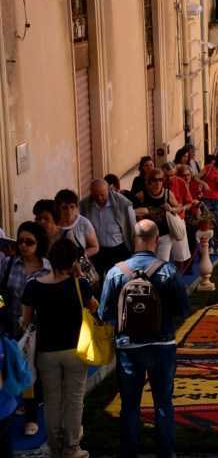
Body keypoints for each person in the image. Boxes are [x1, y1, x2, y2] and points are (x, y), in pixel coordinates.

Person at [98, 220, 189, 458]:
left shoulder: (116, 272)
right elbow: (183, 309)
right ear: (156, 240)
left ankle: (130, 452)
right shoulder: (168, 271)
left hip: (129, 346)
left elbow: (104, 313)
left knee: (129, 406)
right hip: (162, 345)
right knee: (163, 403)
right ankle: (166, 452)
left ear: (133, 238)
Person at [21, 239, 97, 458]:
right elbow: (95, 308)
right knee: (74, 400)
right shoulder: (79, 284)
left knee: (52, 401)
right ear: (73, 261)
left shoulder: (33, 286)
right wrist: (79, 275)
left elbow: (25, 321)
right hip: (75, 349)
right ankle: (72, 447)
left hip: (46, 352)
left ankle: (55, 447)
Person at [0, 222, 50, 436]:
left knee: (30, 373)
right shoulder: (10, 264)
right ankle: (11, 409)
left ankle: (31, 416)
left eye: (29, 242)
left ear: (39, 244)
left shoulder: (48, 267)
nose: (23, 245)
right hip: (10, 327)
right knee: (10, 370)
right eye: (20, 241)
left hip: (37, 330)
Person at [79, 179, 136, 280]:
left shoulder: (123, 203)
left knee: (120, 278)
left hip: (118, 249)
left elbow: (132, 228)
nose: (99, 198)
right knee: (97, 279)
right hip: (97, 250)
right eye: (95, 195)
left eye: (102, 194)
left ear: (108, 191)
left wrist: (133, 248)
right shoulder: (84, 205)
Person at [133, 169, 181, 262]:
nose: (158, 183)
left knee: (162, 262)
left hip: (165, 234)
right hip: (148, 235)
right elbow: (133, 211)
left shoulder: (167, 194)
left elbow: (179, 207)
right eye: (155, 180)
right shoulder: (141, 195)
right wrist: (143, 212)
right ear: (149, 182)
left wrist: (171, 209)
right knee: (148, 262)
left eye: (161, 180)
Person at [163, 163, 196, 271]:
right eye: (167, 176)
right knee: (163, 258)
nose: (169, 178)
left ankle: (178, 279)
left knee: (181, 254)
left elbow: (189, 203)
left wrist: (179, 209)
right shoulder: (157, 182)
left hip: (178, 220)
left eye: (172, 175)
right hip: (162, 225)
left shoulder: (180, 182)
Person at [55, 189, 100, 263]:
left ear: (76, 207)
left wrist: (79, 257)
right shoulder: (53, 224)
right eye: (64, 207)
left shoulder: (83, 223)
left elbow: (95, 247)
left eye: (72, 207)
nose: (69, 211)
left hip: (79, 267)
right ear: (58, 208)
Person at [199, 152, 218, 255]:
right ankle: (210, 245)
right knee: (208, 223)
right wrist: (203, 183)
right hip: (206, 198)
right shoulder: (209, 168)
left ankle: (217, 246)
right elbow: (196, 177)